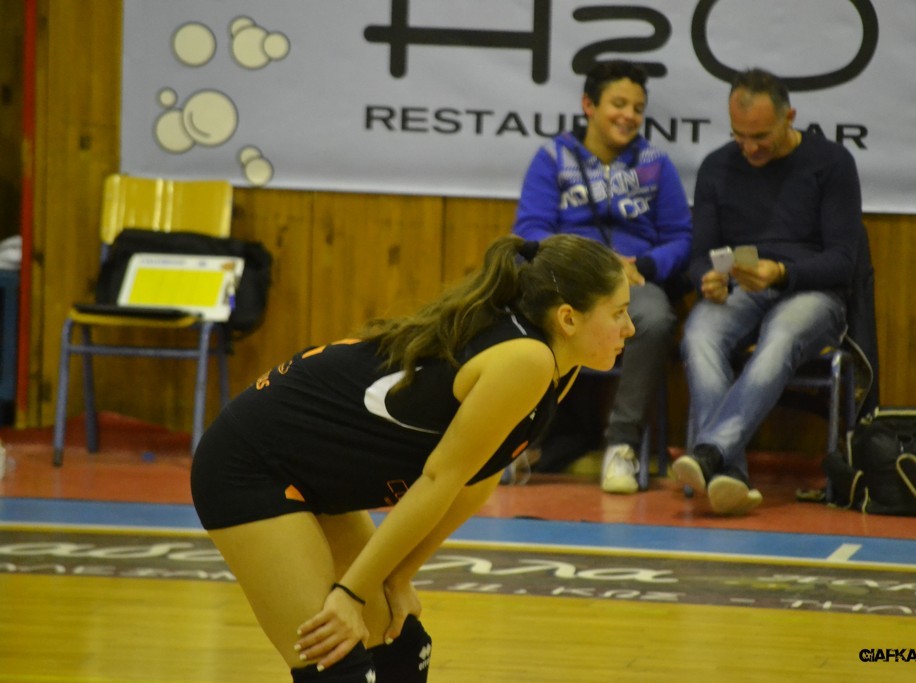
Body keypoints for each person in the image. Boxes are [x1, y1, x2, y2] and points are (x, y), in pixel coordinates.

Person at [190, 233, 634, 682]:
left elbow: (475, 481)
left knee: (401, 647)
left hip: (314, 467)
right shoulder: (527, 360)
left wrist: (398, 577)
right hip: (249, 464)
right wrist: (351, 594)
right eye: (618, 313)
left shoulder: (559, 366)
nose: (630, 328)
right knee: (334, 660)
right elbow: (439, 479)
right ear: (567, 318)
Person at [672, 67, 863, 515]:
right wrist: (707, 278)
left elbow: (843, 260)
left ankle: (711, 451)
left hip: (813, 291)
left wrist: (781, 272)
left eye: (760, 136)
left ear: (789, 118)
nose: (750, 147)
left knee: (780, 338)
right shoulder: (717, 166)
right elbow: (699, 255)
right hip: (741, 285)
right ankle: (730, 475)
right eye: (739, 135)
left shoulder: (831, 163)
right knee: (698, 335)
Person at [512, 59, 692, 494]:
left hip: (634, 281)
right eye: (618, 104)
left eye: (638, 108)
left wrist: (644, 267)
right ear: (589, 106)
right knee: (517, 313)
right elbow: (531, 230)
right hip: (568, 280)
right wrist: (585, 261)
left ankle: (622, 447)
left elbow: (680, 237)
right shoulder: (552, 157)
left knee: (655, 319)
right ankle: (514, 440)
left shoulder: (655, 163)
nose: (629, 115)